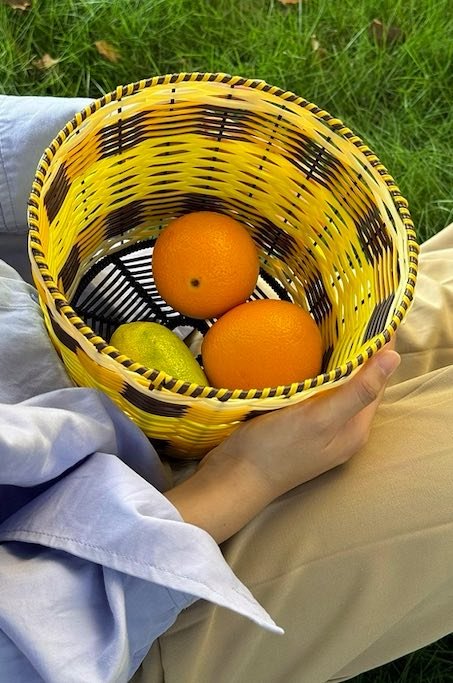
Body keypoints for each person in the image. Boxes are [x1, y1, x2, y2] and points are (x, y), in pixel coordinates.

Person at [0, 94, 451, 683]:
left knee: (396, 336)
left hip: (92, 381)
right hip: (120, 594)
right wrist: (244, 478)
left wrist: (94, 141)